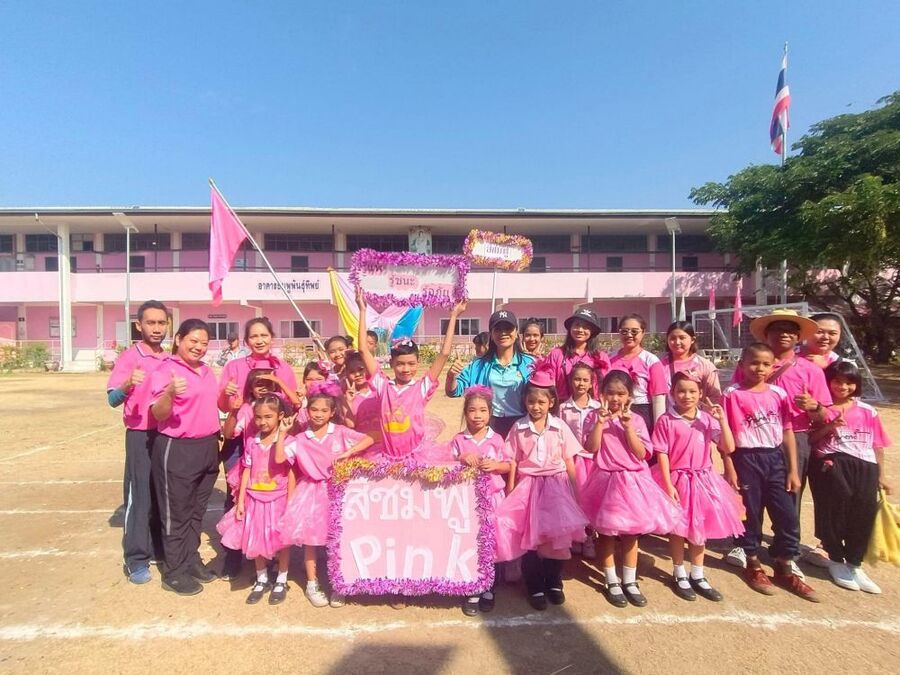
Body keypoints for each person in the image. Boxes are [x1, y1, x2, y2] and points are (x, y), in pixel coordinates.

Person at [726, 309, 831, 569]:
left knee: (787, 496)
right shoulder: (748, 367)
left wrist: (814, 406)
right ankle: (746, 546)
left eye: (790, 330)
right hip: (749, 443)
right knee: (749, 497)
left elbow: (826, 413)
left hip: (793, 437)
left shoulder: (811, 370)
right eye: (777, 329)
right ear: (766, 334)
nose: (784, 334)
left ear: (798, 336)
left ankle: (785, 552)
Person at [722, 343, 819, 602]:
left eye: (766, 364)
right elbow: (724, 434)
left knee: (786, 514)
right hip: (745, 458)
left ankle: (784, 564)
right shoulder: (732, 394)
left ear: (773, 366)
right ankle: (753, 563)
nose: (760, 368)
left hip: (775, 458)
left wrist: (793, 470)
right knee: (750, 513)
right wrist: (729, 466)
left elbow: (787, 431)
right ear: (742, 365)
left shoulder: (778, 394)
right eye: (754, 362)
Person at [581, 370, 681, 608]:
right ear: (601, 393)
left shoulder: (635, 420)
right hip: (605, 481)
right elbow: (591, 448)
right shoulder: (594, 416)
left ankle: (629, 580)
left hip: (634, 483)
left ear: (629, 396)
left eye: (621, 394)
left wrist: (627, 428)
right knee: (606, 533)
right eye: (610, 393)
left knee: (631, 534)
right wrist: (600, 423)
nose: (615, 398)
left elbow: (642, 453)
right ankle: (611, 580)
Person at [495, 370, 589, 611]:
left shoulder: (559, 426)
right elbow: (513, 460)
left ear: (551, 402)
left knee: (556, 539)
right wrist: (511, 488)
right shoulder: (518, 427)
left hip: (556, 487)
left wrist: (575, 492)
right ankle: (534, 584)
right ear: (524, 401)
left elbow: (569, 460)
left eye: (541, 402)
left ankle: (554, 582)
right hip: (528, 487)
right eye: (531, 401)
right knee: (530, 540)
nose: (535, 407)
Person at [277, 382, 373, 608]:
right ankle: (312, 583)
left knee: (339, 539)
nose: (318, 414)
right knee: (311, 541)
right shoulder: (300, 439)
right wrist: (282, 433)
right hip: (311, 494)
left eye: (324, 410)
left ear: (332, 412)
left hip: (338, 491)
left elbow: (370, 438)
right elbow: (280, 458)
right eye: (314, 409)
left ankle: (340, 584)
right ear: (307, 411)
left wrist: (349, 452)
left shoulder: (340, 432)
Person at [217, 317, 299, 578]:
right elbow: (224, 406)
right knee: (236, 499)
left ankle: (271, 555)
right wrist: (228, 397)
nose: (259, 340)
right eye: (254, 336)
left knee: (273, 502)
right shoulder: (234, 366)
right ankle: (232, 555)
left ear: (271, 337)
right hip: (242, 445)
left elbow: (293, 404)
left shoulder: (283, 368)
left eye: (264, 335)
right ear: (246, 340)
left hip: (273, 446)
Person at [652, 372, 744, 602]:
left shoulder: (707, 419)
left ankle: (698, 574)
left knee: (699, 528)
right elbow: (662, 453)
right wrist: (668, 483)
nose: (687, 396)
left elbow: (729, 447)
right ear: (672, 393)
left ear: (701, 393)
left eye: (693, 391)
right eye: (681, 391)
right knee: (678, 529)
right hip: (678, 479)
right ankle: (679, 573)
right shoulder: (666, 420)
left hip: (703, 480)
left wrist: (722, 420)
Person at [149, 319, 221, 596]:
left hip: (207, 446)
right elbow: (158, 413)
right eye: (194, 341)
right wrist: (169, 392)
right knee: (176, 513)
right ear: (179, 339)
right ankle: (174, 571)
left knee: (196, 511)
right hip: (177, 448)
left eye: (204, 343)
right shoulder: (165, 370)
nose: (199, 347)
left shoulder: (206, 371)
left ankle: (191, 560)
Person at [809, 361, 891, 594]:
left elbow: (877, 445)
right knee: (835, 510)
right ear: (828, 382)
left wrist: (881, 475)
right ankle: (835, 558)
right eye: (837, 381)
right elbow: (812, 440)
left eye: (849, 382)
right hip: (833, 462)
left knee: (864, 512)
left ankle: (854, 563)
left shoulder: (868, 411)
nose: (843, 387)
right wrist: (831, 426)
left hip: (865, 464)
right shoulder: (821, 409)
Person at [356, 286, 466, 460]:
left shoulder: (421, 387)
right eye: (400, 364)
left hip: (416, 459)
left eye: (411, 364)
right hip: (386, 458)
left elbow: (444, 354)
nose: (406, 369)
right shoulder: (383, 386)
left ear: (418, 363)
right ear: (391, 363)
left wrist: (453, 316)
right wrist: (362, 310)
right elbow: (363, 350)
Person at [106, 299, 170, 584]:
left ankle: (158, 548)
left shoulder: (169, 359)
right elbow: (111, 399)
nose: (156, 328)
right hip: (140, 435)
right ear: (139, 325)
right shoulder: (130, 357)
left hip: (166, 435)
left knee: (161, 494)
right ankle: (136, 558)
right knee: (139, 496)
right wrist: (127, 384)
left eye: (161, 323)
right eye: (151, 322)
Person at [216, 395, 294, 605]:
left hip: (278, 499)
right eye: (258, 417)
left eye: (268, 416)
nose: (262, 421)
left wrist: (290, 502)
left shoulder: (288, 442)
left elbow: (290, 472)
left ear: (280, 416)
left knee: (282, 541)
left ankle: (281, 579)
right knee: (255, 538)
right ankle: (261, 578)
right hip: (254, 499)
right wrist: (241, 501)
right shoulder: (252, 442)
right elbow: (246, 471)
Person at [450, 385, 513, 616]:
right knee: (471, 544)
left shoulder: (496, 439)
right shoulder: (459, 440)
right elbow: (445, 466)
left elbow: (508, 465)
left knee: (491, 544)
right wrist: (461, 457)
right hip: (467, 503)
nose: (478, 415)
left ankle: (488, 588)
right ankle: (473, 588)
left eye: (483, 410)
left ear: (490, 412)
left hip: (493, 500)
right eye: (472, 410)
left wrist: (496, 465)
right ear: (465, 413)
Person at [445, 309, 535, 438]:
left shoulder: (530, 363)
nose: (503, 333)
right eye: (498, 329)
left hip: (522, 425)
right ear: (491, 334)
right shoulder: (478, 365)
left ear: (516, 333)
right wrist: (451, 376)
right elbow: (453, 391)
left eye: (508, 328)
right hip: (489, 427)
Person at [558, 362, 601, 558]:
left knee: (590, 501)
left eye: (585, 380)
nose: (581, 383)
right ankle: (577, 536)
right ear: (570, 381)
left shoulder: (598, 407)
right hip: (571, 460)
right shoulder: (563, 408)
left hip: (592, 461)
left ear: (591, 383)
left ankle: (590, 537)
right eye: (577, 379)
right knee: (574, 499)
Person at [609, 314, 667, 432]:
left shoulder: (651, 360)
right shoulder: (609, 358)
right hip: (614, 411)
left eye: (634, 331)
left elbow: (658, 399)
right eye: (624, 331)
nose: (629, 335)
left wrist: (658, 430)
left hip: (642, 413)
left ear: (643, 332)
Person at [659, 321, 722, 403]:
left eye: (682, 338)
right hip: (665, 411)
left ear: (692, 340)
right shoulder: (658, 364)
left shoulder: (705, 366)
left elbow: (715, 396)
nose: (677, 342)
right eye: (672, 338)